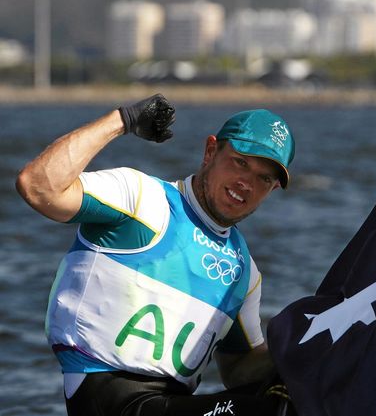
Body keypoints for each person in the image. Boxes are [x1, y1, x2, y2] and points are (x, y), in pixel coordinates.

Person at [15, 94, 295, 416]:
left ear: (273, 189)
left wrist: (315, 351)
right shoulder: (140, 198)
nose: (246, 183)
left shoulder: (244, 273)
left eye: (264, 178)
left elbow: (241, 370)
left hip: (171, 404)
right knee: (265, 409)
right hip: (107, 398)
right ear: (210, 151)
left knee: (292, 396)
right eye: (240, 162)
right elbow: (37, 186)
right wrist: (123, 119)